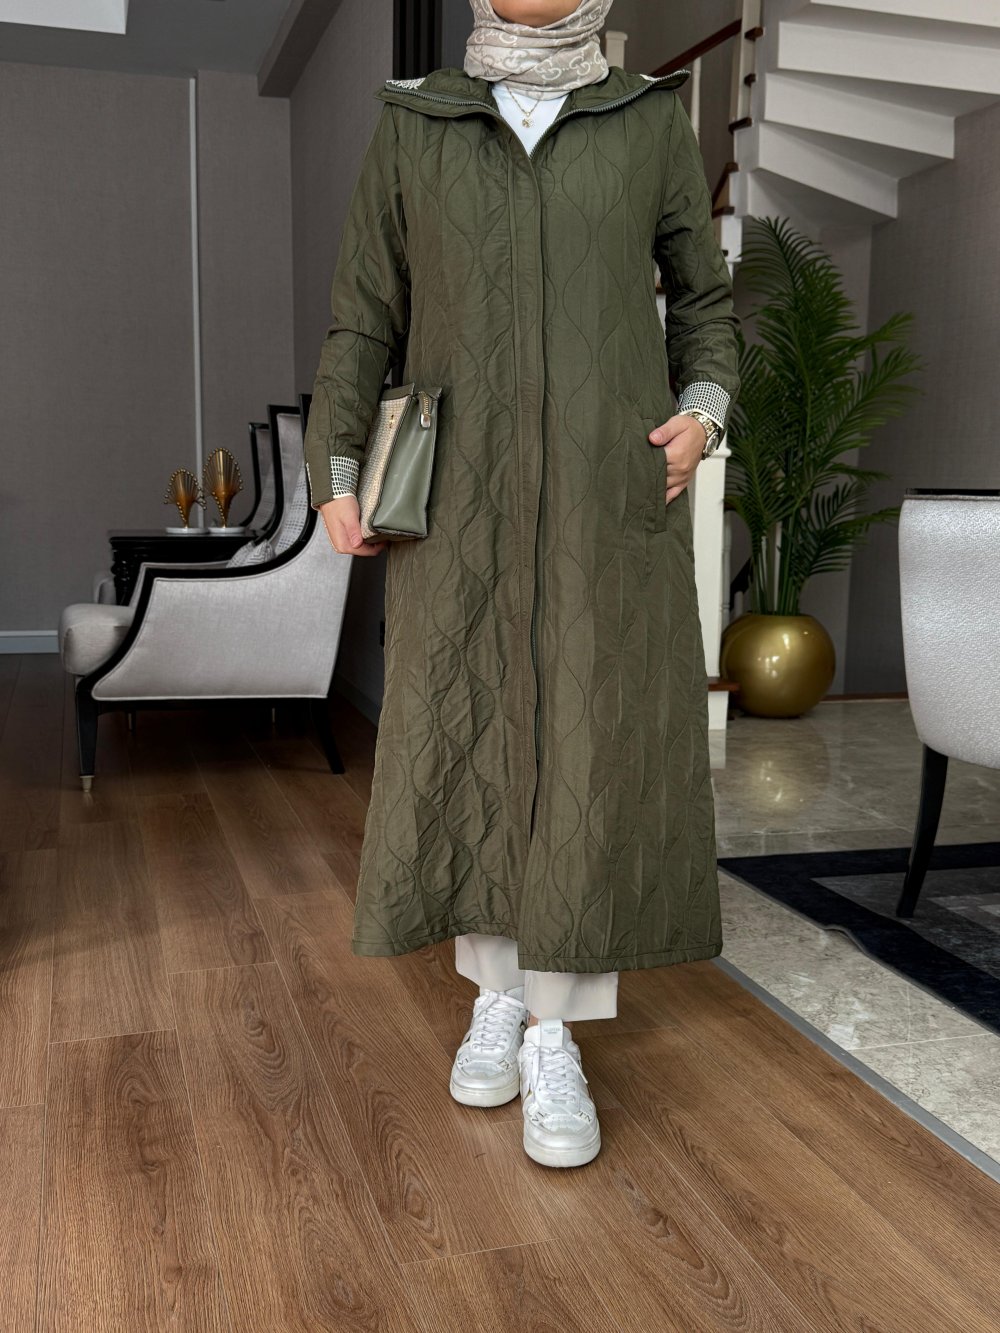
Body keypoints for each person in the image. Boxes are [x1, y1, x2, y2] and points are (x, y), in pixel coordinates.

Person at [302, 0, 741, 1170]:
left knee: (588, 745)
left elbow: (704, 301)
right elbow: (363, 316)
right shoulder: (417, 122)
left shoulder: (646, 120)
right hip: (460, 496)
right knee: (474, 729)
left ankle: (556, 1030)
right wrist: (335, 465)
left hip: (607, 489)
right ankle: (496, 996)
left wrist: (703, 414)